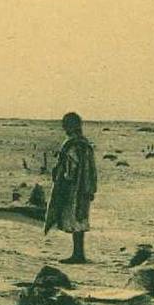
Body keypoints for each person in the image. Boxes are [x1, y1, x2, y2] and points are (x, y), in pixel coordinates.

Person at [44, 112, 98, 263]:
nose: (63, 128)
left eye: (65, 124)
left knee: (75, 221)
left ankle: (78, 254)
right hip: (85, 188)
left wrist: (63, 179)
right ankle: (79, 253)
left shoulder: (72, 145)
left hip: (74, 189)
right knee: (80, 220)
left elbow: (71, 169)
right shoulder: (85, 143)